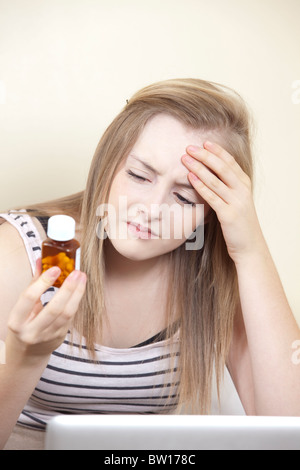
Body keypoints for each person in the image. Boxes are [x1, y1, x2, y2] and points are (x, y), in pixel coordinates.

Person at [0, 78, 299, 450]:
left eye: (185, 197)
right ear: (107, 163)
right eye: (139, 175)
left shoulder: (216, 278)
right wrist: (25, 361)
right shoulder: (21, 250)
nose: (152, 210)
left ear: (212, 214)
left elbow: (288, 429)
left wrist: (252, 251)